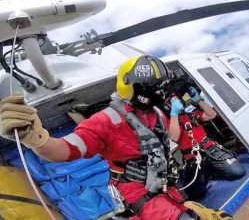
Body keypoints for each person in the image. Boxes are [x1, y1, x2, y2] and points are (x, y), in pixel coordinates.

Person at [0, 55, 233, 220]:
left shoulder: (158, 114)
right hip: (139, 195)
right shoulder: (105, 121)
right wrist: (34, 137)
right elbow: (64, 150)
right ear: (136, 88)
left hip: (166, 186)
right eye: (154, 86)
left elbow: (171, 138)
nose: (160, 91)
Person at [168, 86, 246, 198]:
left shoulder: (190, 114)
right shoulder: (170, 121)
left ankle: (213, 171)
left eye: (177, 99)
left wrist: (198, 100)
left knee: (238, 172)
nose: (177, 102)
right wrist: (174, 114)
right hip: (193, 158)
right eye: (173, 101)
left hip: (210, 149)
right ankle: (210, 172)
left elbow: (212, 115)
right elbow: (174, 137)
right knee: (195, 194)